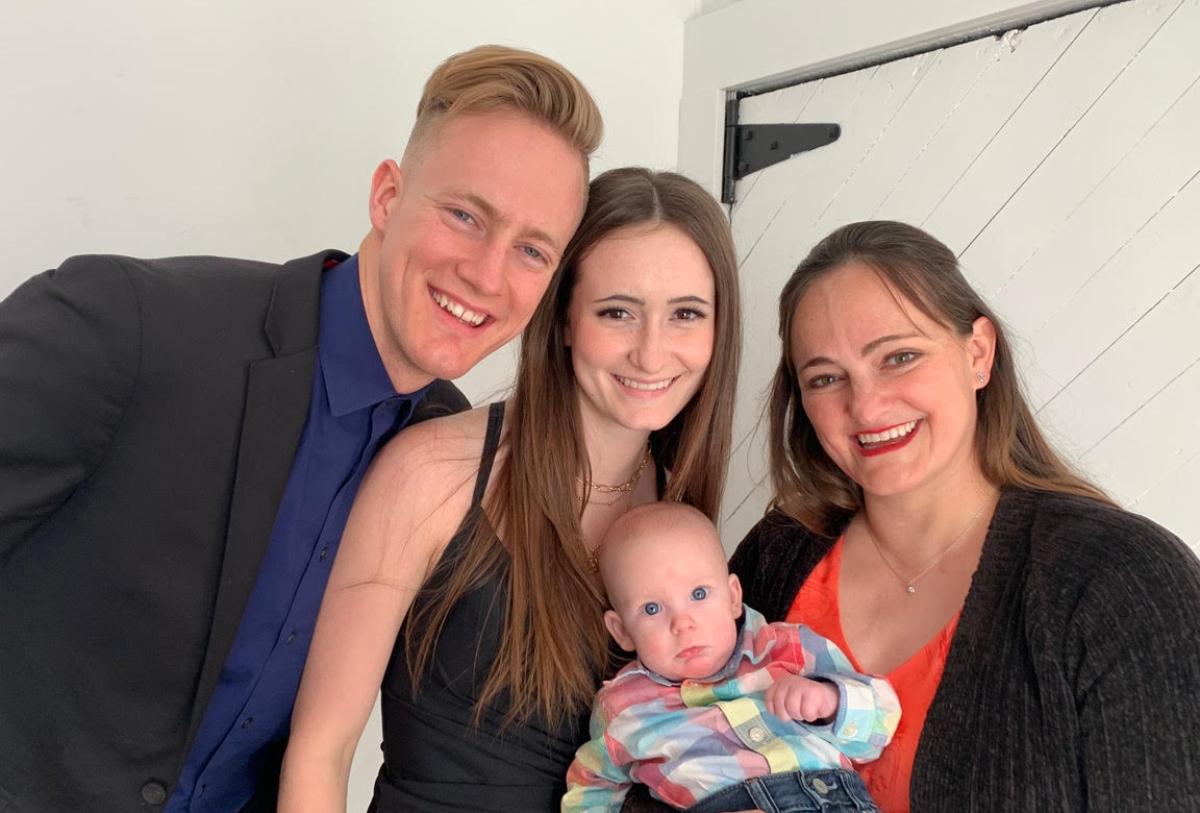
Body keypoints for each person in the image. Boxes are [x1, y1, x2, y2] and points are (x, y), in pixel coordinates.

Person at [0, 45, 601, 813]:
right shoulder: (133, 326)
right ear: (387, 195)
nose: (487, 275)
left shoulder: (451, 459)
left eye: (531, 250)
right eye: (464, 215)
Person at [278, 167, 742, 812]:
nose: (652, 353)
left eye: (686, 314)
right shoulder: (433, 473)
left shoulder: (676, 507)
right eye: (618, 312)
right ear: (564, 319)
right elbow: (319, 753)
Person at [727, 220, 1200, 811]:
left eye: (899, 356)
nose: (866, 405)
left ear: (978, 353)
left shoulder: (1122, 581)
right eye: (826, 378)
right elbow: (663, 746)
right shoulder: (774, 556)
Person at [563, 502, 899, 813]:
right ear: (621, 630)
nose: (683, 624)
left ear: (733, 597)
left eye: (699, 594)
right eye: (652, 609)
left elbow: (880, 725)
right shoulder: (622, 708)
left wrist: (829, 701)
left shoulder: (788, 648)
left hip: (827, 799)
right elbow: (591, 784)